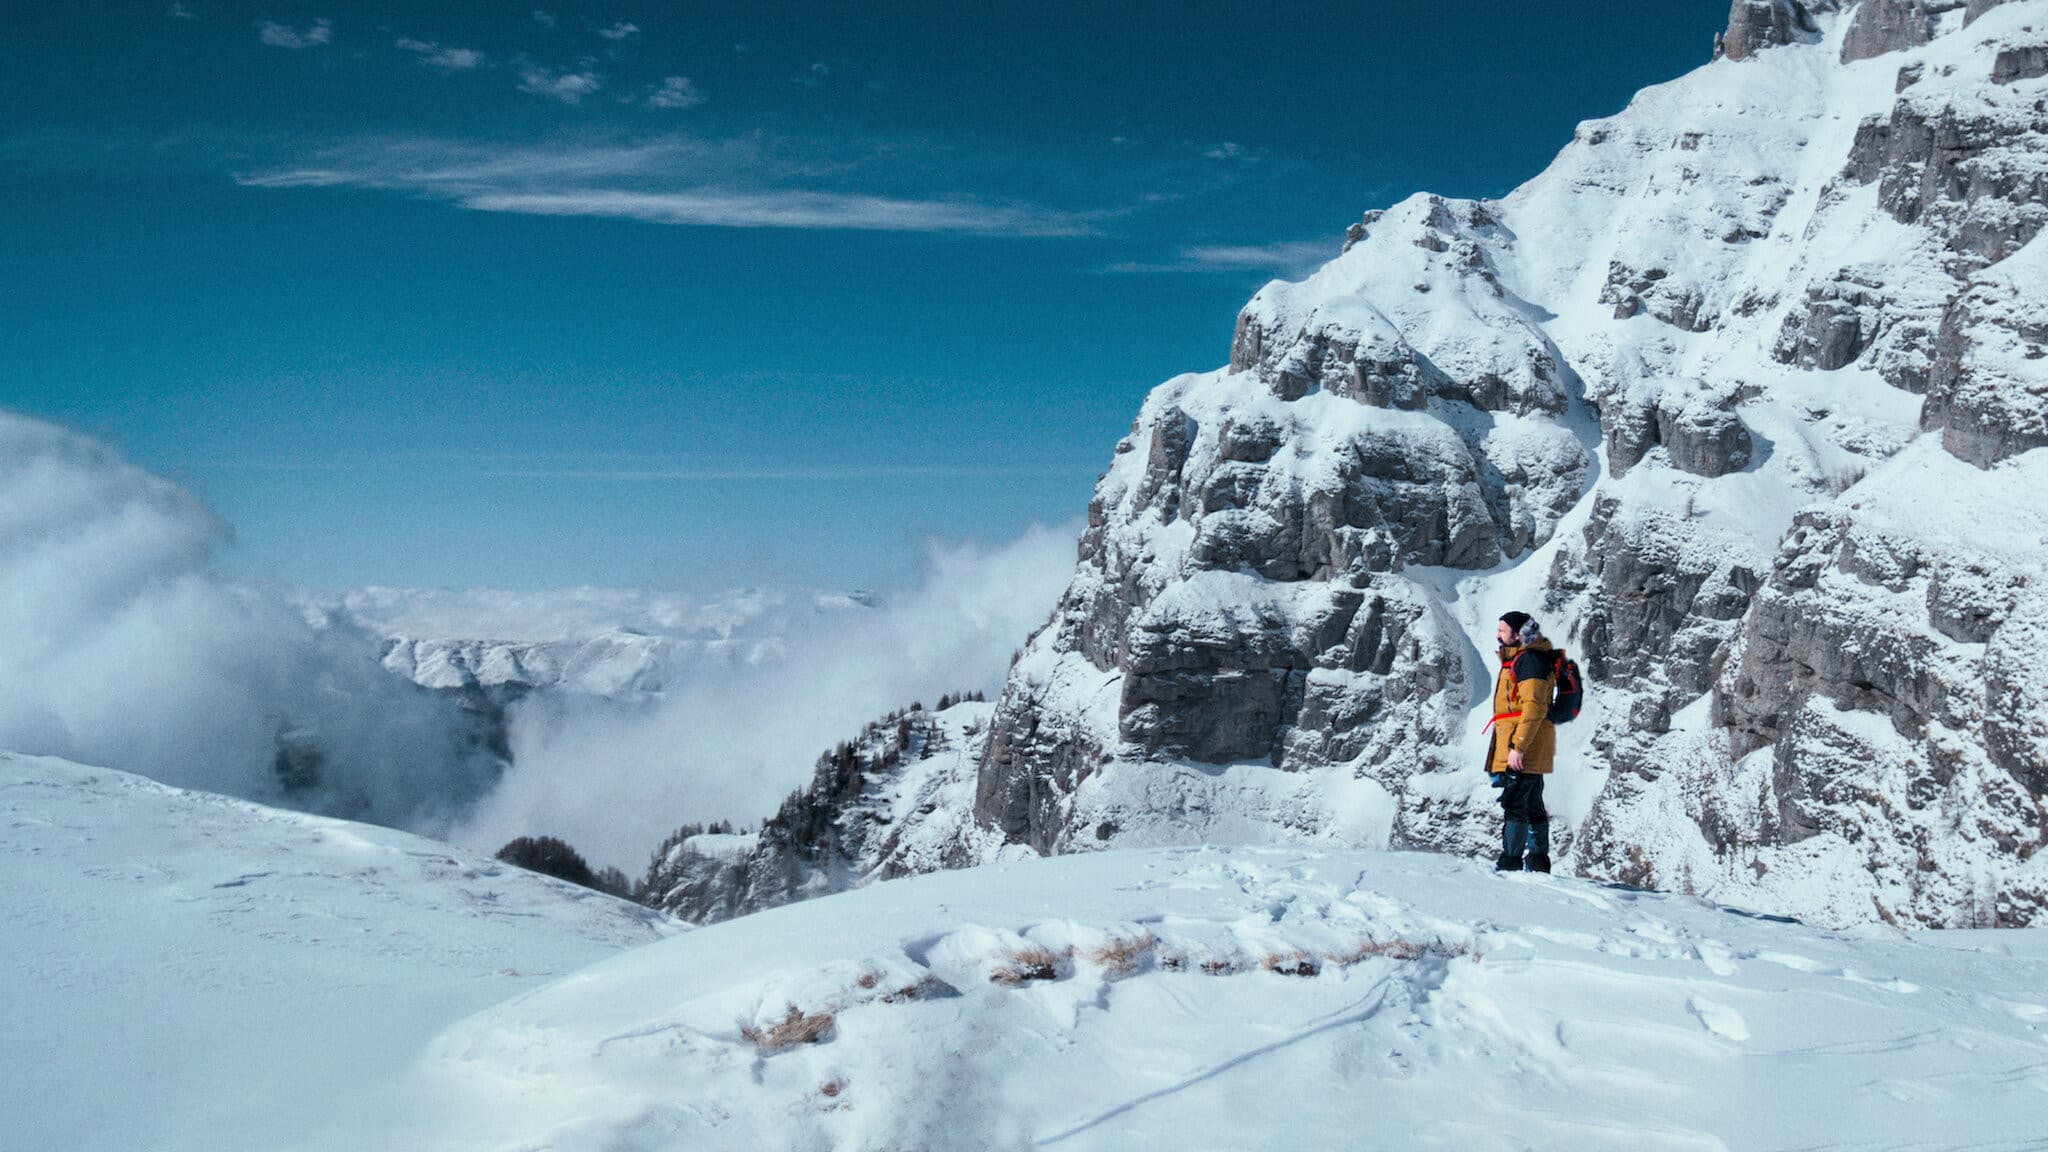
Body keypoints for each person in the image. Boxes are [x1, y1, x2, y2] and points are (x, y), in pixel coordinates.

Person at [1485, 611, 1556, 873]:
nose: (1497, 635)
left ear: (1517, 634)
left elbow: (1534, 708)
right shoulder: (1523, 659)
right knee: (1531, 801)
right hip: (1526, 743)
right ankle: (1537, 862)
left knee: (1515, 802)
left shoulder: (1529, 662)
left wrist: (1518, 747)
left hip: (1525, 746)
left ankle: (1511, 863)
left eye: (1502, 630)